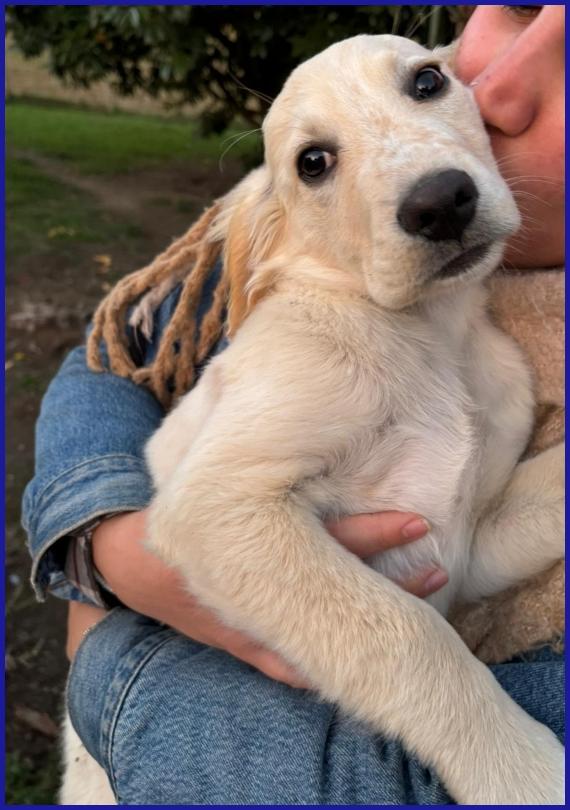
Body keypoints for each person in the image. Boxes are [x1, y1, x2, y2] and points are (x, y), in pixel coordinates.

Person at [23, 4, 564, 804]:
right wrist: (482, 736)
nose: (425, 187)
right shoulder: (307, 331)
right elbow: (202, 515)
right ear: (276, 232)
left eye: (423, 86)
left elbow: (461, 547)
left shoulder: (504, 380)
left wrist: (106, 654)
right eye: (316, 162)